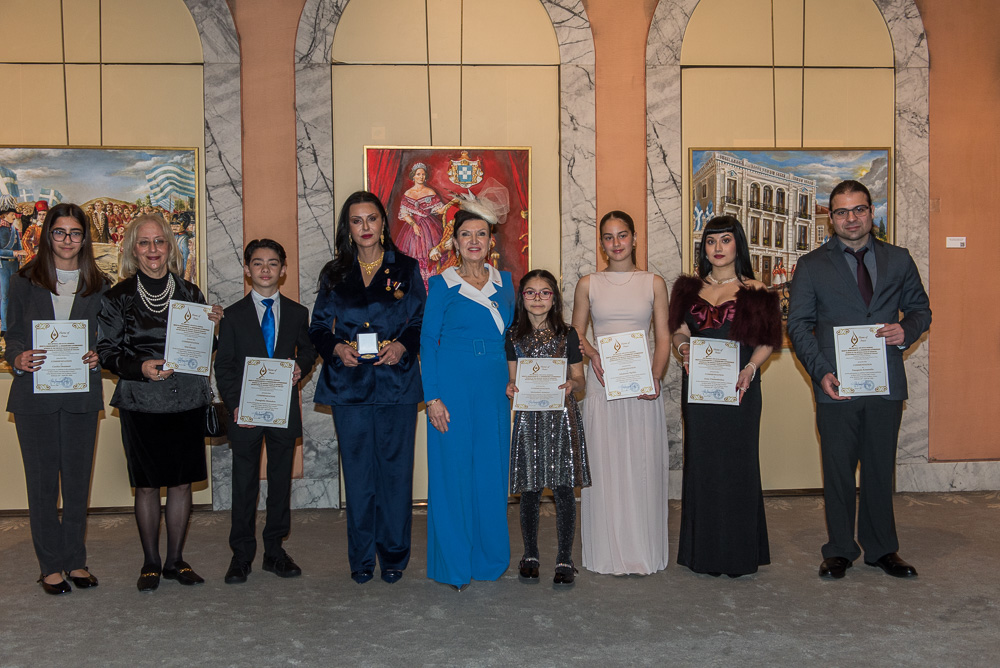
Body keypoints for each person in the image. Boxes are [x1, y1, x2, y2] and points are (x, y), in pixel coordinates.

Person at [787, 180, 931, 580]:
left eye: (859, 209)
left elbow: (921, 310)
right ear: (831, 218)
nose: (851, 218)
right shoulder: (811, 265)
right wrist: (821, 372)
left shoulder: (899, 259)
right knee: (837, 469)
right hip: (836, 384)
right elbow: (799, 325)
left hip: (886, 383)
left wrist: (907, 330)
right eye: (841, 212)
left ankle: (882, 549)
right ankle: (839, 550)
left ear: (871, 211)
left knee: (879, 469)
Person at [97, 213, 223, 592]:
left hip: (186, 399)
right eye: (144, 242)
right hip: (141, 401)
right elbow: (107, 352)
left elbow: (204, 349)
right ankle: (151, 562)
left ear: (169, 246)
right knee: (148, 485)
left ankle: (175, 560)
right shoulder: (117, 297)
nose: (153, 249)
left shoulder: (190, 293)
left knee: (182, 483)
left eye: (159, 241)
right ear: (133, 250)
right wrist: (140, 367)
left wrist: (213, 327)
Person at [309, 191, 426, 585]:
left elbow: (419, 321)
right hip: (349, 387)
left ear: (382, 223)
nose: (365, 227)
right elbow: (317, 327)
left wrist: (403, 346)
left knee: (395, 474)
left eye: (371, 219)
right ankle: (361, 558)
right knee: (359, 477)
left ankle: (393, 555)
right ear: (348, 227)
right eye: (356, 221)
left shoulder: (406, 268)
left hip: (396, 384)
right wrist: (336, 348)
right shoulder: (334, 273)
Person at [668, 215, 782, 577]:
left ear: (738, 245)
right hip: (699, 391)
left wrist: (751, 368)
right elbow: (679, 332)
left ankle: (738, 554)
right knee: (702, 465)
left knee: (738, 466)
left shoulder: (757, 290)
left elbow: (767, 341)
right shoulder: (686, 289)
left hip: (740, 389)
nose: (717, 248)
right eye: (711, 241)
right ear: (704, 248)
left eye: (725, 240)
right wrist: (684, 349)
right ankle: (702, 553)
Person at [5, 203, 110, 595]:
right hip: (34, 396)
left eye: (75, 233)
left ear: (85, 238)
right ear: (48, 235)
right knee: (42, 484)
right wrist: (17, 357)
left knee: (78, 484)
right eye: (60, 232)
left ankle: (76, 560)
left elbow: (109, 337)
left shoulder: (100, 284)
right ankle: (50, 566)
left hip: (81, 394)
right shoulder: (23, 281)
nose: (68, 240)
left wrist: (100, 353)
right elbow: (13, 334)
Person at [420, 204, 515, 591]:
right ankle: (454, 564)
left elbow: (513, 339)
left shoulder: (506, 282)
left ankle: (489, 559)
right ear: (455, 243)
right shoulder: (441, 284)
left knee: (491, 472)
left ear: (491, 241)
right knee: (453, 474)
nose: (474, 241)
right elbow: (428, 341)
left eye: (481, 234)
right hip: (452, 387)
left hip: (493, 387)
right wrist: (432, 397)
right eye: (465, 235)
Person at [571, 210, 670, 575]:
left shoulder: (653, 282)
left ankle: (641, 548)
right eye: (609, 237)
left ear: (634, 238)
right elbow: (575, 333)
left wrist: (655, 376)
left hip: (642, 385)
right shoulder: (588, 284)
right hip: (602, 384)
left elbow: (663, 337)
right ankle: (607, 551)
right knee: (605, 465)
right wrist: (594, 354)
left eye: (622, 235)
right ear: (601, 243)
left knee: (641, 465)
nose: (616, 243)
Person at [215, 238, 317, 585]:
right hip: (245, 413)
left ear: (283, 270)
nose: (265, 269)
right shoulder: (232, 315)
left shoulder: (297, 313)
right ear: (247, 270)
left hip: (281, 411)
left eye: (273, 263)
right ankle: (241, 555)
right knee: (244, 485)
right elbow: (224, 366)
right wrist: (235, 405)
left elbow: (308, 349)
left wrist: (301, 365)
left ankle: (274, 551)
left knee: (279, 484)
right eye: (258, 263)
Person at [505, 269, 589, 588]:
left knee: (563, 489)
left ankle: (565, 558)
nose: (537, 298)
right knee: (530, 489)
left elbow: (580, 379)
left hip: (562, 417)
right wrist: (511, 387)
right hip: (529, 419)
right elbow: (513, 378)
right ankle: (530, 555)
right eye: (530, 292)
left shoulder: (568, 334)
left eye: (544, 292)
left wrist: (572, 384)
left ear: (554, 298)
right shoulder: (513, 336)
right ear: (522, 298)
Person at [397, 162, 447, 289]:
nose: (421, 177)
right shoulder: (408, 193)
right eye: (418, 174)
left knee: (432, 254)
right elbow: (405, 213)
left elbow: (439, 210)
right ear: (413, 176)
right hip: (412, 230)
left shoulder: (430, 192)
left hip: (430, 229)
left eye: (423, 174)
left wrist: (452, 204)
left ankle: (430, 287)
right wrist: (413, 224)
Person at [0, 195, 28, 334]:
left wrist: (21, 254)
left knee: (15, 296)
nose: (14, 217)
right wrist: (14, 253)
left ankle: (14, 325)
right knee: (5, 297)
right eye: (12, 214)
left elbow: (19, 247)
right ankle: (5, 327)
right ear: (5, 215)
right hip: (3, 267)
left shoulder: (14, 230)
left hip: (14, 266)